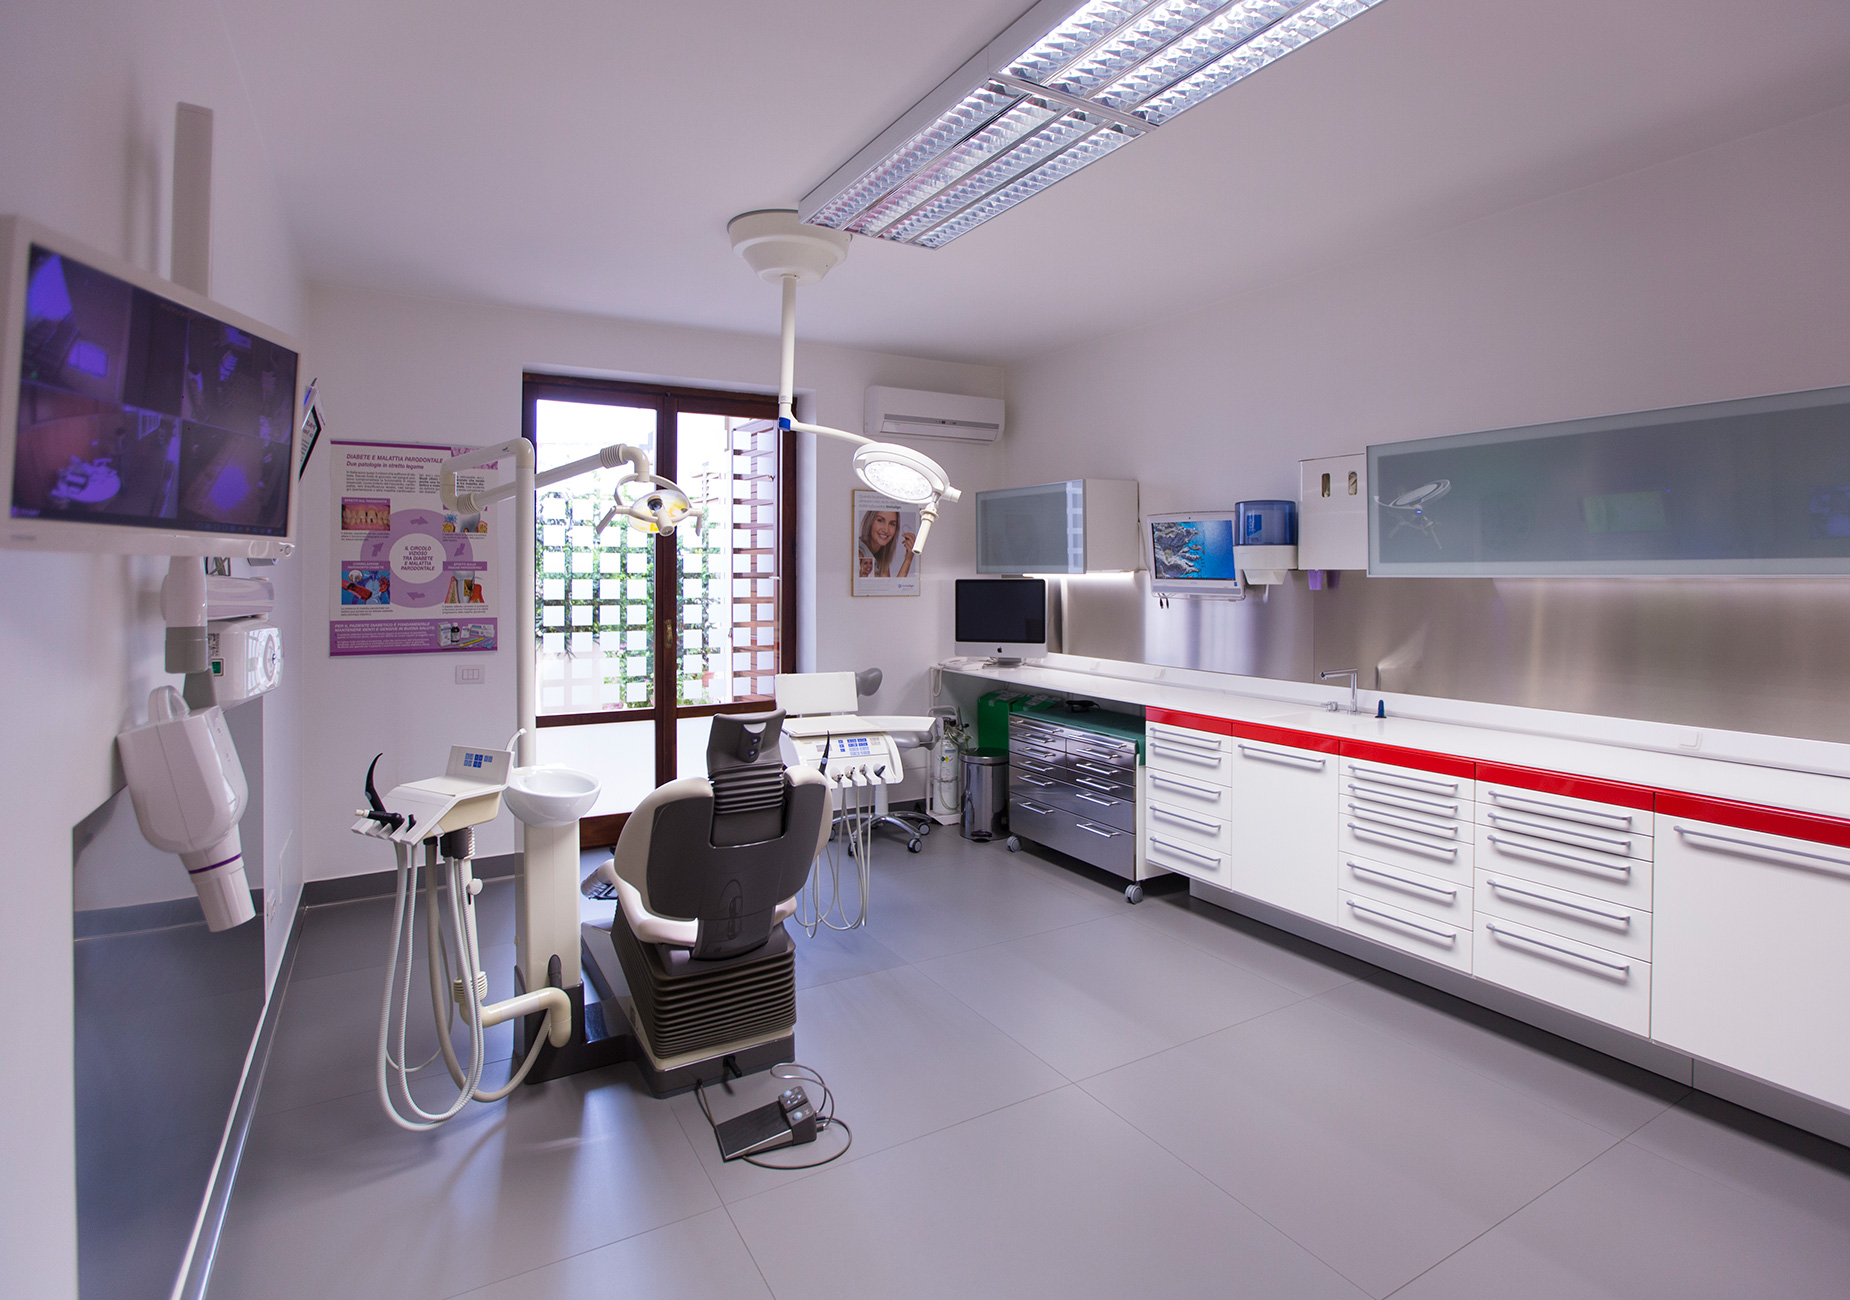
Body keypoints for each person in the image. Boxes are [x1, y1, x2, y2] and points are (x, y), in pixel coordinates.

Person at [858, 508, 916, 579]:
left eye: (892, 524)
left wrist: (908, 558)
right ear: (870, 521)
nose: (886, 530)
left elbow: (893, 586)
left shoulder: (880, 558)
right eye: (880, 520)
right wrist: (908, 560)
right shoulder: (860, 554)